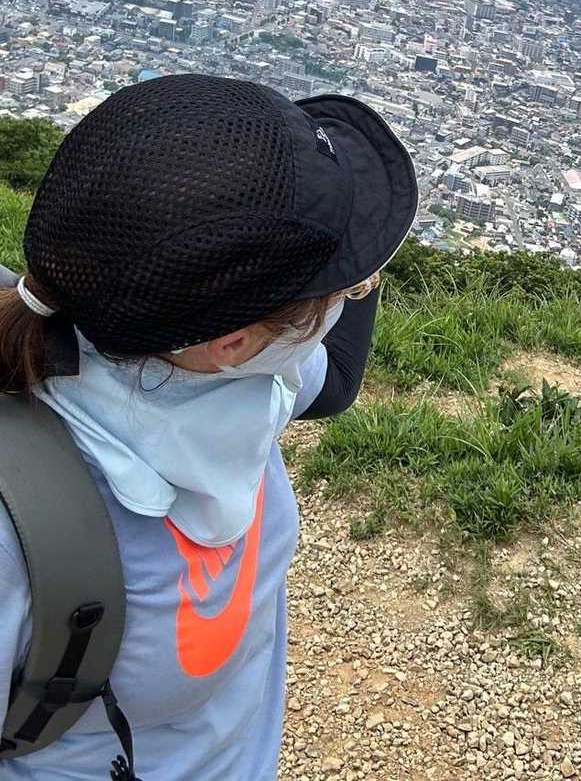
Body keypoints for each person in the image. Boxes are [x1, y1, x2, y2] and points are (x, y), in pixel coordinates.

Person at [0, 74, 418, 778]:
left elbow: (336, 382)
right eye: (336, 293)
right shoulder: (14, 536)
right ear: (234, 343)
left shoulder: (225, 377)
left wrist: (354, 250)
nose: (344, 302)